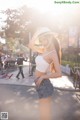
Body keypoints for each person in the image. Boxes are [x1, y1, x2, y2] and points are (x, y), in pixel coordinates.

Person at [28, 27, 62, 120]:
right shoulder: (44, 50)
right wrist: (37, 32)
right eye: (41, 39)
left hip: (44, 84)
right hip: (39, 83)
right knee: (43, 114)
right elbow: (30, 45)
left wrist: (43, 77)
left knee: (44, 115)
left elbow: (59, 73)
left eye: (43, 39)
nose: (42, 42)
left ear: (49, 38)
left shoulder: (52, 53)